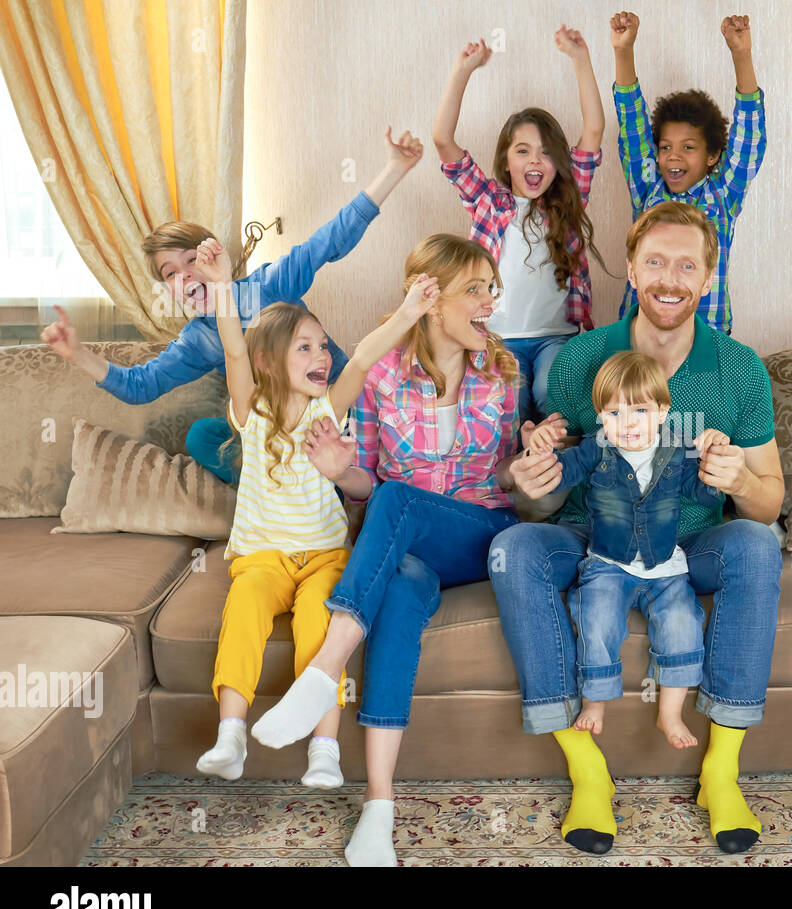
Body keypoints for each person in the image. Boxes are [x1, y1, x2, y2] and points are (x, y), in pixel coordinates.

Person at [491, 201, 785, 855]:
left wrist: (740, 481)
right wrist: (531, 484)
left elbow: (769, 502)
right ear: (630, 268)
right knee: (513, 549)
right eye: (655, 261)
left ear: (709, 275)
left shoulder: (740, 370)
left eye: (687, 265)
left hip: (689, 544)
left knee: (758, 545)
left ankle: (721, 770)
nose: (670, 279)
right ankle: (586, 769)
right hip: (591, 537)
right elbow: (540, 480)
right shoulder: (581, 361)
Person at [248, 235, 522, 867]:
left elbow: (503, 475)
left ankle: (323, 671)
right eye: (475, 290)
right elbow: (366, 483)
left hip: (479, 532)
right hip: (412, 549)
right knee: (397, 585)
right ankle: (378, 807)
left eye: (492, 288)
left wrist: (527, 464)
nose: (489, 302)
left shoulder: (503, 369)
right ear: (431, 301)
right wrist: (342, 472)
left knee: (397, 500)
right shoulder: (383, 378)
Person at [189, 237, 439, 787]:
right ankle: (231, 735)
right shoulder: (250, 411)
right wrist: (223, 284)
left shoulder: (329, 408)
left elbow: (368, 355)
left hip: (325, 556)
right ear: (267, 362)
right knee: (245, 614)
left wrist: (409, 312)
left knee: (316, 630)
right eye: (304, 347)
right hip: (261, 559)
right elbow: (233, 348)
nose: (322, 357)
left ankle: (323, 749)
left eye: (322, 346)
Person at [39, 127, 424, 483]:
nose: (184, 277)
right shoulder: (200, 339)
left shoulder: (267, 286)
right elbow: (142, 385)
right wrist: (78, 354)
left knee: (355, 429)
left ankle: (324, 484)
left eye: (191, 261)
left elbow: (329, 240)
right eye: (169, 274)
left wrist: (394, 167)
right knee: (204, 435)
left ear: (215, 257)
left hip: (334, 415)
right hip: (277, 434)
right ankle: (281, 487)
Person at [527, 350, 729, 749]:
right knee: (596, 616)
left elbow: (704, 495)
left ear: (662, 412)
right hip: (608, 561)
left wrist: (713, 457)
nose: (627, 423)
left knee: (682, 623)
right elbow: (557, 474)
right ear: (601, 417)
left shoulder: (677, 450)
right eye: (614, 413)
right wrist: (541, 447)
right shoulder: (594, 448)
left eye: (638, 410)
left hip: (665, 565)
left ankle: (669, 714)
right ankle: (596, 702)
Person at [433, 26, 607, 425]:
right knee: (509, 408)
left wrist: (581, 60)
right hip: (497, 338)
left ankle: (559, 472)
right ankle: (510, 479)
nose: (535, 162)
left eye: (546, 153)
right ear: (506, 159)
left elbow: (594, 130)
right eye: (523, 151)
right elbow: (443, 139)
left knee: (552, 393)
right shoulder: (488, 201)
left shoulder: (568, 200)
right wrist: (463, 71)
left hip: (555, 336)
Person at [608, 11, 766, 335]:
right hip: (641, 336)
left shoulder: (723, 195)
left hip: (706, 336)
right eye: (665, 147)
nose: (673, 156)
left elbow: (749, 136)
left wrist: (741, 54)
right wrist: (623, 51)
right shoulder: (648, 188)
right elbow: (632, 125)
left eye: (688, 148)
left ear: (713, 156)